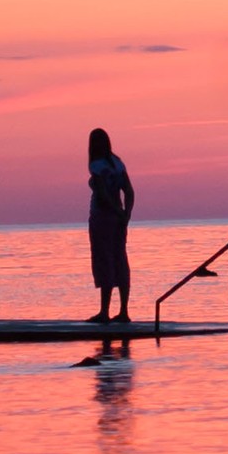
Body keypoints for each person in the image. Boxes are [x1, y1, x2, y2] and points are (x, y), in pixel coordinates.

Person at [85, 127, 136, 322]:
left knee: (104, 260)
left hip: (102, 217)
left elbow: (103, 194)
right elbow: (129, 191)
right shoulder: (118, 163)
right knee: (120, 260)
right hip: (118, 220)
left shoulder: (96, 165)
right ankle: (123, 310)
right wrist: (126, 214)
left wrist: (118, 212)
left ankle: (104, 312)